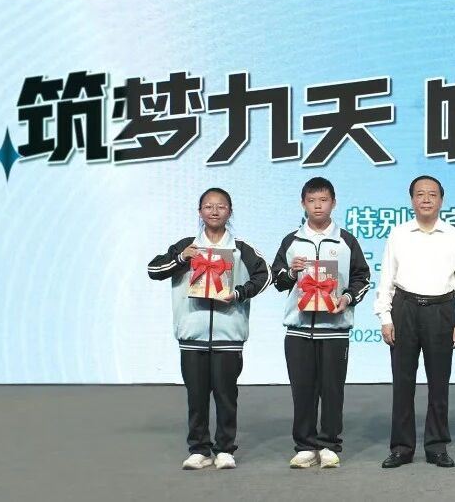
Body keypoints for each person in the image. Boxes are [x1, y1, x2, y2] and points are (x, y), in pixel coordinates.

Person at [148, 187, 271, 470]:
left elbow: (265, 275)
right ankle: (199, 450)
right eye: (208, 206)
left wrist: (239, 293)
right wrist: (181, 259)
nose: (214, 211)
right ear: (200, 211)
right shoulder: (186, 247)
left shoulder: (241, 249)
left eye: (221, 206)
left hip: (229, 335)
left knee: (227, 396)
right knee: (196, 396)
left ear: (230, 211)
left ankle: (225, 449)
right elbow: (153, 270)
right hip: (193, 335)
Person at [271, 177, 371, 469]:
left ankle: (329, 444)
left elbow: (362, 278)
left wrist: (348, 298)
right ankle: (304, 445)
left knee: (332, 390)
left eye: (323, 200)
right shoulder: (292, 241)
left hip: (335, 330)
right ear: (303, 204)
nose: (318, 206)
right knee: (302, 390)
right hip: (298, 329)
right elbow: (277, 280)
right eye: (312, 200)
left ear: (333, 203)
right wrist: (292, 272)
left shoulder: (346, 241)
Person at [377, 175, 455, 469]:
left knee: (439, 382)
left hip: (441, 310)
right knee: (402, 382)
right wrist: (385, 317)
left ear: (441, 200)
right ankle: (401, 448)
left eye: (432, 194)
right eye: (420, 194)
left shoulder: (454, 236)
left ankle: (437, 446)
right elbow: (386, 279)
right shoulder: (399, 234)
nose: (426, 199)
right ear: (412, 200)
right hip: (404, 308)